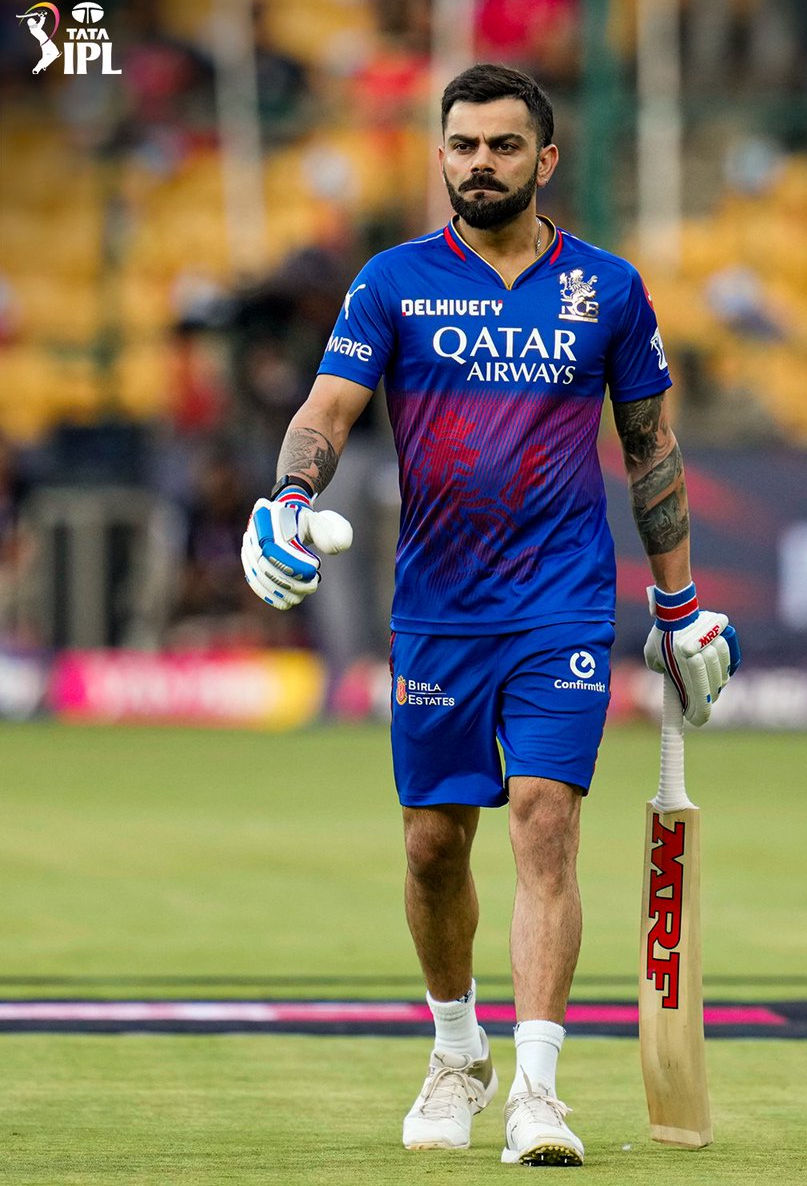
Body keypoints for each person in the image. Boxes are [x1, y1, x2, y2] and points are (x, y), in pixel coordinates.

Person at [240, 64, 739, 1167]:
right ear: (441, 154)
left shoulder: (606, 290)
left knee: (546, 824)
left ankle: (539, 1094)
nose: (480, 163)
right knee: (431, 848)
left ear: (545, 159)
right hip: (439, 610)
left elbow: (652, 450)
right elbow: (328, 407)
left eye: (503, 146)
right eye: (462, 145)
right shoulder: (393, 282)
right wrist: (285, 502)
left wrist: (682, 605)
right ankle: (457, 1052)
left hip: (560, 603)